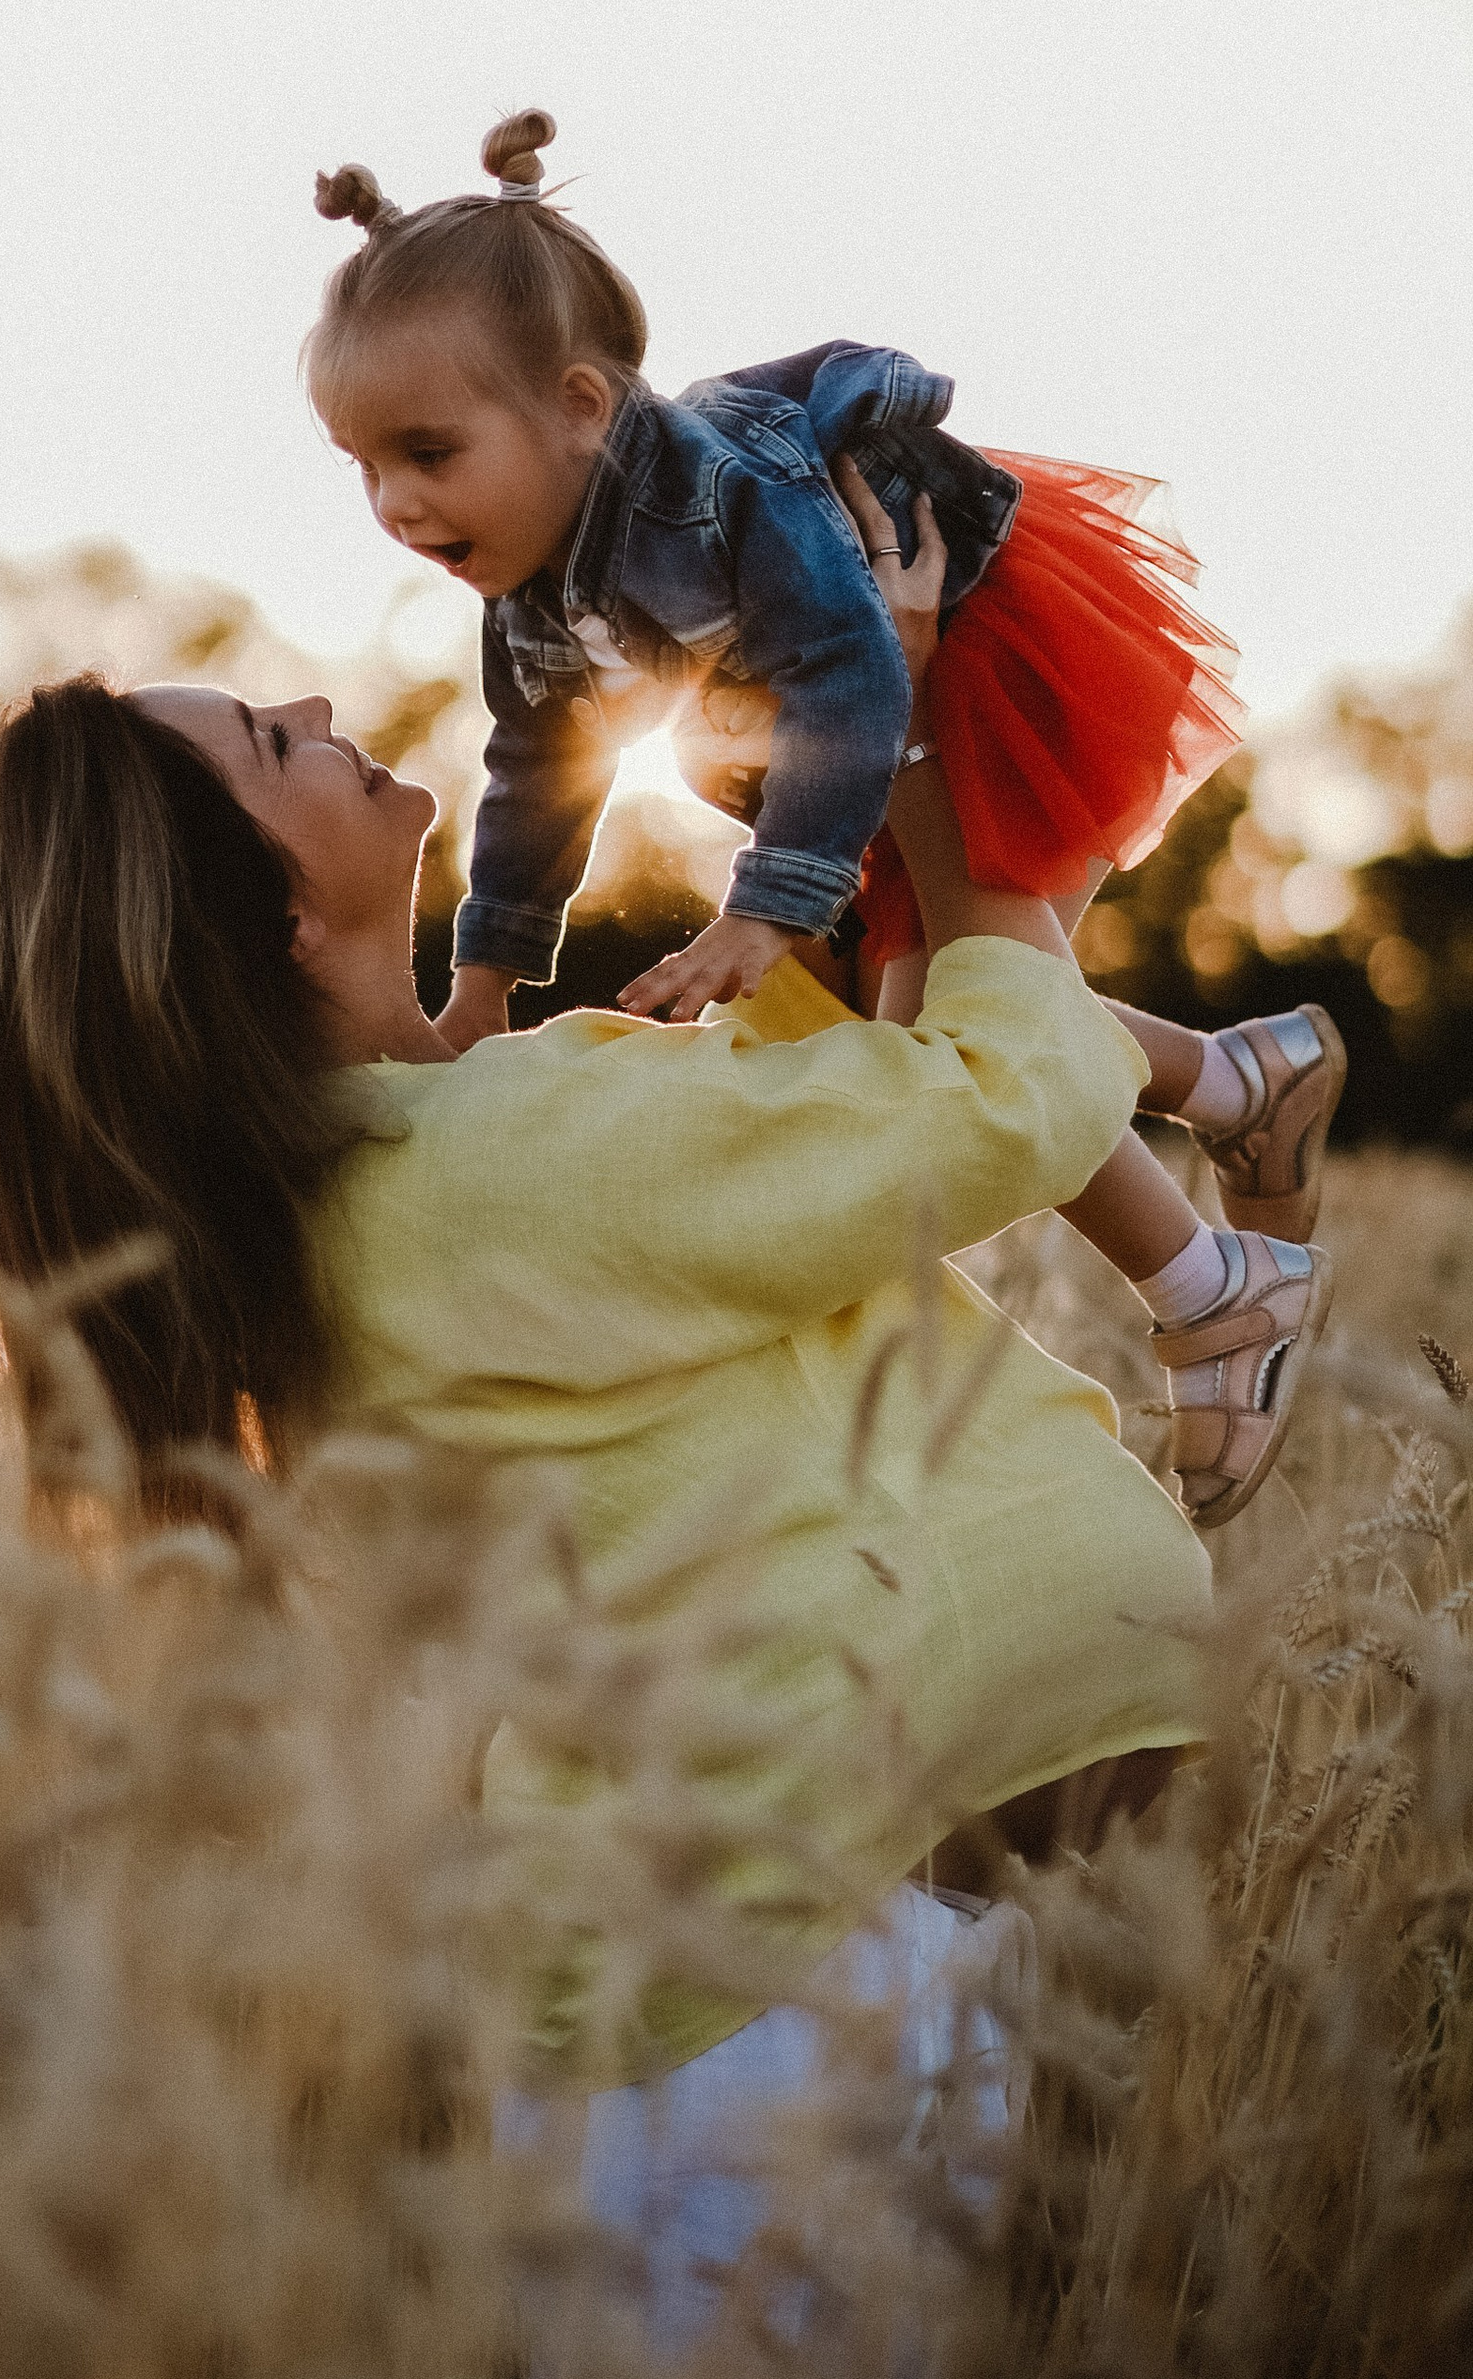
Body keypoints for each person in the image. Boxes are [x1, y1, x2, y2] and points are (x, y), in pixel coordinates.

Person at [0, 485, 1216, 2098]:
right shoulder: (473, 1174)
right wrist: (921, 740)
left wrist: (851, 768)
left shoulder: (409, 1173)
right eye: (265, 741)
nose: (312, 705)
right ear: (278, 918)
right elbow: (1002, 1096)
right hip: (797, 2016)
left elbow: (809, 1104)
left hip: (766, 1978)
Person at [301, 107, 1339, 1527]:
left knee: (956, 1013)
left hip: (966, 656)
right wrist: (482, 986)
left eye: (426, 451)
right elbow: (543, 771)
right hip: (843, 730)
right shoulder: (528, 592)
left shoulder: (726, 494)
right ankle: (1239, 1088)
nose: (395, 504)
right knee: (926, 1017)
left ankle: (1220, 1287)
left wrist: (766, 905)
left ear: (582, 408)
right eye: (362, 467)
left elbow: (858, 672)